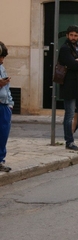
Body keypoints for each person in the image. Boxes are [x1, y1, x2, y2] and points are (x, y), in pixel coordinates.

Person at [0, 41, 13, 172]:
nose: (2, 60)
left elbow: (7, 87)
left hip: (4, 105)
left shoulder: (1, 68)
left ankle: (0, 160)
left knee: (3, 134)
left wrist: (10, 104)